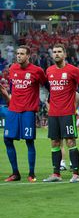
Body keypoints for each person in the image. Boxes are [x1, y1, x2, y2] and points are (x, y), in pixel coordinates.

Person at [43, 44, 79, 183]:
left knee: (70, 142)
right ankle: (56, 174)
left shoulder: (73, 70)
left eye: (59, 52)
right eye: (54, 52)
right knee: (54, 143)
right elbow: (51, 92)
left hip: (68, 113)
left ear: (65, 54)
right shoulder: (49, 71)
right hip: (54, 113)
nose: (56, 54)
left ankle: (76, 174)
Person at [1, 45, 47, 182]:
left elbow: (47, 85)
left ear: (28, 56)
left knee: (29, 141)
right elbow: (13, 89)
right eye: (17, 53)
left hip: (28, 111)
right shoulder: (12, 69)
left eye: (22, 54)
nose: (18, 56)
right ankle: (15, 173)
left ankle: (31, 174)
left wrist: (49, 102)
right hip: (13, 110)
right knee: (7, 139)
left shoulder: (37, 71)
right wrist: (7, 97)